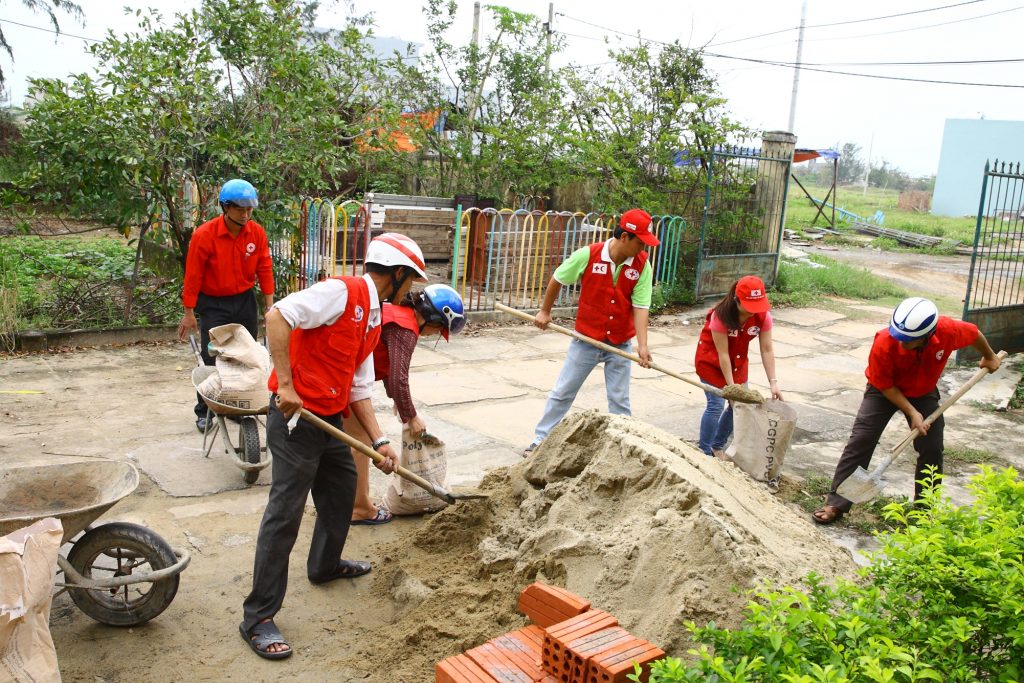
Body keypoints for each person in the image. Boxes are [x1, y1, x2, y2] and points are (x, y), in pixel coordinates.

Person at [239, 232, 427, 660]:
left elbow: (358, 386)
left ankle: (324, 566)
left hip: (328, 420)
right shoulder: (341, 292)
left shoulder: (375, 317)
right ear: (397, 274)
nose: (411, 288)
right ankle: (258, 617)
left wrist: (379, 440)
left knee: (342, 491)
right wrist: (285, 384)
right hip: (294, 419)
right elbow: (277, 316)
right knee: (285, 513)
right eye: (411, 280)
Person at [812, 297, 1001, 524]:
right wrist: (912, 413)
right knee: (862, 439)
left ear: (927, 335)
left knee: (932, 447)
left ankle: (923, 510)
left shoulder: (948, 330)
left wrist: (989, 356)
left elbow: (973, 333)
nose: (901, 343)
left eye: (908, 340)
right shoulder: (884, 341)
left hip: (923, 391)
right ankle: (836, 503)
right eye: (899, 336)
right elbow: (885, 386)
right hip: (884, 391)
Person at [523, 208, 659, 456]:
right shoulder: (589, 254)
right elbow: (558, 278)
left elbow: (641, 306)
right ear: (625, 237)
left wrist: (642, 345)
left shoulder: (642, 265)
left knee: (620, 400)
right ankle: (540, 441)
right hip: (586, 339)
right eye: (640, 242)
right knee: (563, 391)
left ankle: (622, 448)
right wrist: (545, 311)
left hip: (619, 342)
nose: (643, 248)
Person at [348, 284, 466, 525]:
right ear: (434, 319)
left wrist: (395, 399)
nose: (432, 335)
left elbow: (386, 366)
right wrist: (411, 416)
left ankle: (339, 501)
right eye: (437, 331)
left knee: (346, 441)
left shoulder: (396, 315)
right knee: (359, 443)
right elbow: (398, 377)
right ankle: (359, 508)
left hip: (346, 373)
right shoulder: (405, 330)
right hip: (345, 377)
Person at [177, 179, 275, 432]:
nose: (245, 215)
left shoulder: (256, 233)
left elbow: (264, 268)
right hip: (213, 304)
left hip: (244, 300)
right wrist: (189, 312)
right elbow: (193, 276)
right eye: (240, 209)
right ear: (225, 207)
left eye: (249, 210)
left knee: (246, 354)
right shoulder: (204, 235)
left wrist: (269, 306)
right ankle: (205, 410)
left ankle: (236, 404)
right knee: (213, 356)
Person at [693, 275, 783, 458]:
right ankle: (703, 452)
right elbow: (723, 354)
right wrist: (732, 389)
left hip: (738, 364)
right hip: (712, 362)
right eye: (750, 306)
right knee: (716, 404)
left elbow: (767, 350)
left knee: (741, 405)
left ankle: (717, 446)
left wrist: (773, 382)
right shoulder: (720, 315)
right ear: (737, 299)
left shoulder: (763, 317)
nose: (753, 312)